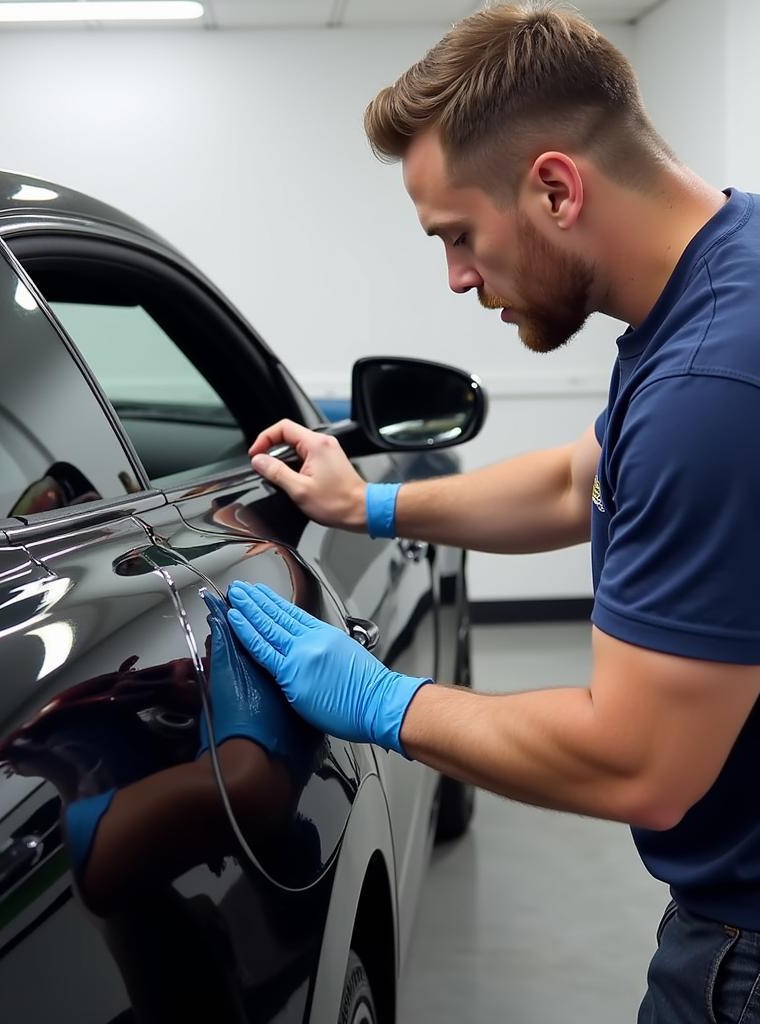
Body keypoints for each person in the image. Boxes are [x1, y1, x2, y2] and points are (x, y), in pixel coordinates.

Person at [223, 4, 760, 1022]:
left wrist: (385, 705)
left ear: (555, 188)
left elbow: (640, 763)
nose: (459, 277)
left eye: (458, 236)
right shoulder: (725, 269)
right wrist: (368, 503)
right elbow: (578, 479)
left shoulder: (711, 385)